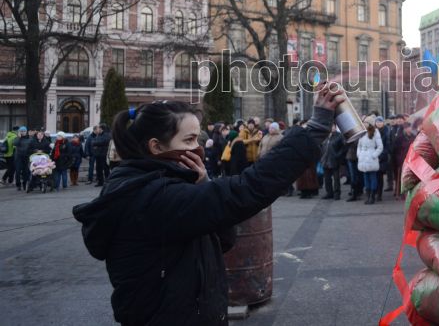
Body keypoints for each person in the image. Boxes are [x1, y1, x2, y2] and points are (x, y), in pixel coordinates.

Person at [72, 85, 344, 326]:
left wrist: (204, 186)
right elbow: (247, 190)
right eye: (189, 141)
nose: (198, 148)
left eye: (198, 139)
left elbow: (222, 240)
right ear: (156, 147)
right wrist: (316, 128)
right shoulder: (152, 196)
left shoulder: (164, 185)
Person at [357, 122, 383, 205]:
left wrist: (373, 155)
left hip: (371, 158)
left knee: (372, 177)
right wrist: (359, 154)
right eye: (363, 122)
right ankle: (368, 196)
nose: (364, 124)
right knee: (366, 178)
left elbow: (380, 147)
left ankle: (372, 196)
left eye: (366, 123)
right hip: (363, 158)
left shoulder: (375, 132)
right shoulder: (361, 133)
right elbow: (359, 146)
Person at [320, 125, 346, 200]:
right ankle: (329, 193)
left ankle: (337, 193)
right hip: (325, 160)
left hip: (334, 160)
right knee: (327, 178)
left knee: (336, 178)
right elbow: (321, 146)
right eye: (330, 126)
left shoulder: (339, 136)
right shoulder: (325, 135)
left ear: (335, 127)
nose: (331, 128)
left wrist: (338, 155)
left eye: (332, 126)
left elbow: (344, 147)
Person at [392, 122, 416, 199]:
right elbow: (395, 150)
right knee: (400, 178)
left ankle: (409, 192)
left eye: (409, 127)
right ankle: (399, 193)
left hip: (411, 160)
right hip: (401, 160)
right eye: (407, 128)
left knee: (410, 177)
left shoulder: (414, 137)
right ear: (404, 129)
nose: (409, 129)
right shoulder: (399, 138)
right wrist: (398, 159)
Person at [374, 116, 391, 202]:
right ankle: (376, 192)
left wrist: (380, 155)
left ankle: (379, 195)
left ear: (383, 122)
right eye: (377, 122)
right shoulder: (373, 131)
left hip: (382, 157)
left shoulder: (386, 132)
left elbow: (387, 146)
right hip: (374, 157)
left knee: (380, 176)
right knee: (375, 176)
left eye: (380, 122)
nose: (379, 123)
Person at [13, 126, 32, 191]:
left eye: (24, 131)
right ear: (19, 132)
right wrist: (19, 137)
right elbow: (15, 143)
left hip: (26, 157)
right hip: (18, 157)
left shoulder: (29, 138)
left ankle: (24, 183)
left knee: (26, 171)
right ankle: (18, 184)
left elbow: (32, 146)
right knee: (18, 171)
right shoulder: (17, 138)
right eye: (21, 131)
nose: (22, 132)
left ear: (26, 132)